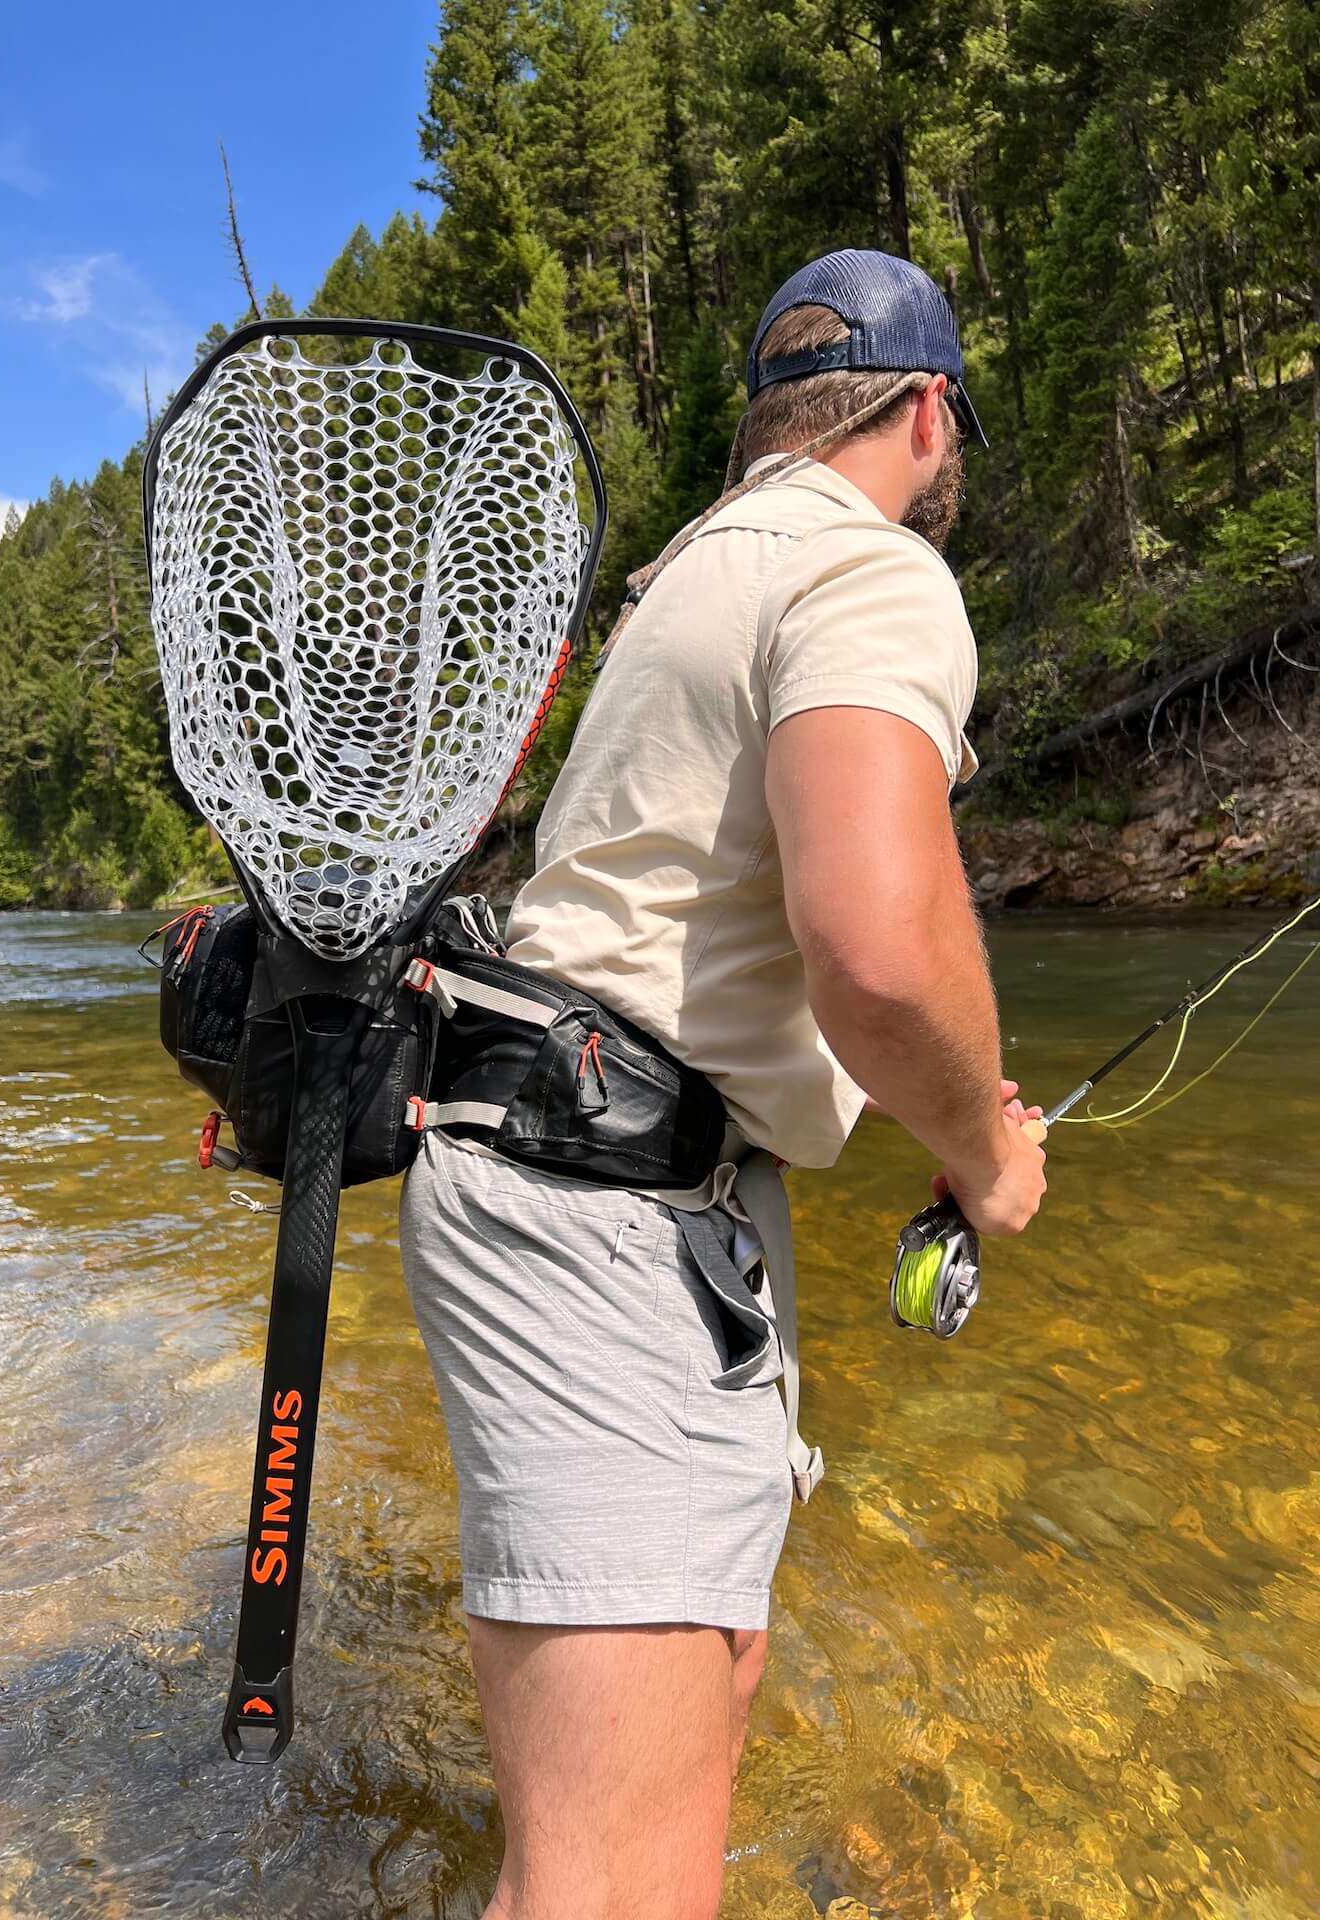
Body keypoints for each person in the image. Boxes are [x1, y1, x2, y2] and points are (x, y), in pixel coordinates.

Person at [399, 248, 1047, 1919]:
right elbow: (881, 948)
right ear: (925, 412)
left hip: (590, 1189)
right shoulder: (875, 567)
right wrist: (984, 1155)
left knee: (709, 1692)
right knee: (611, 1891)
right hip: (603, 1215)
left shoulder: (690, 572)